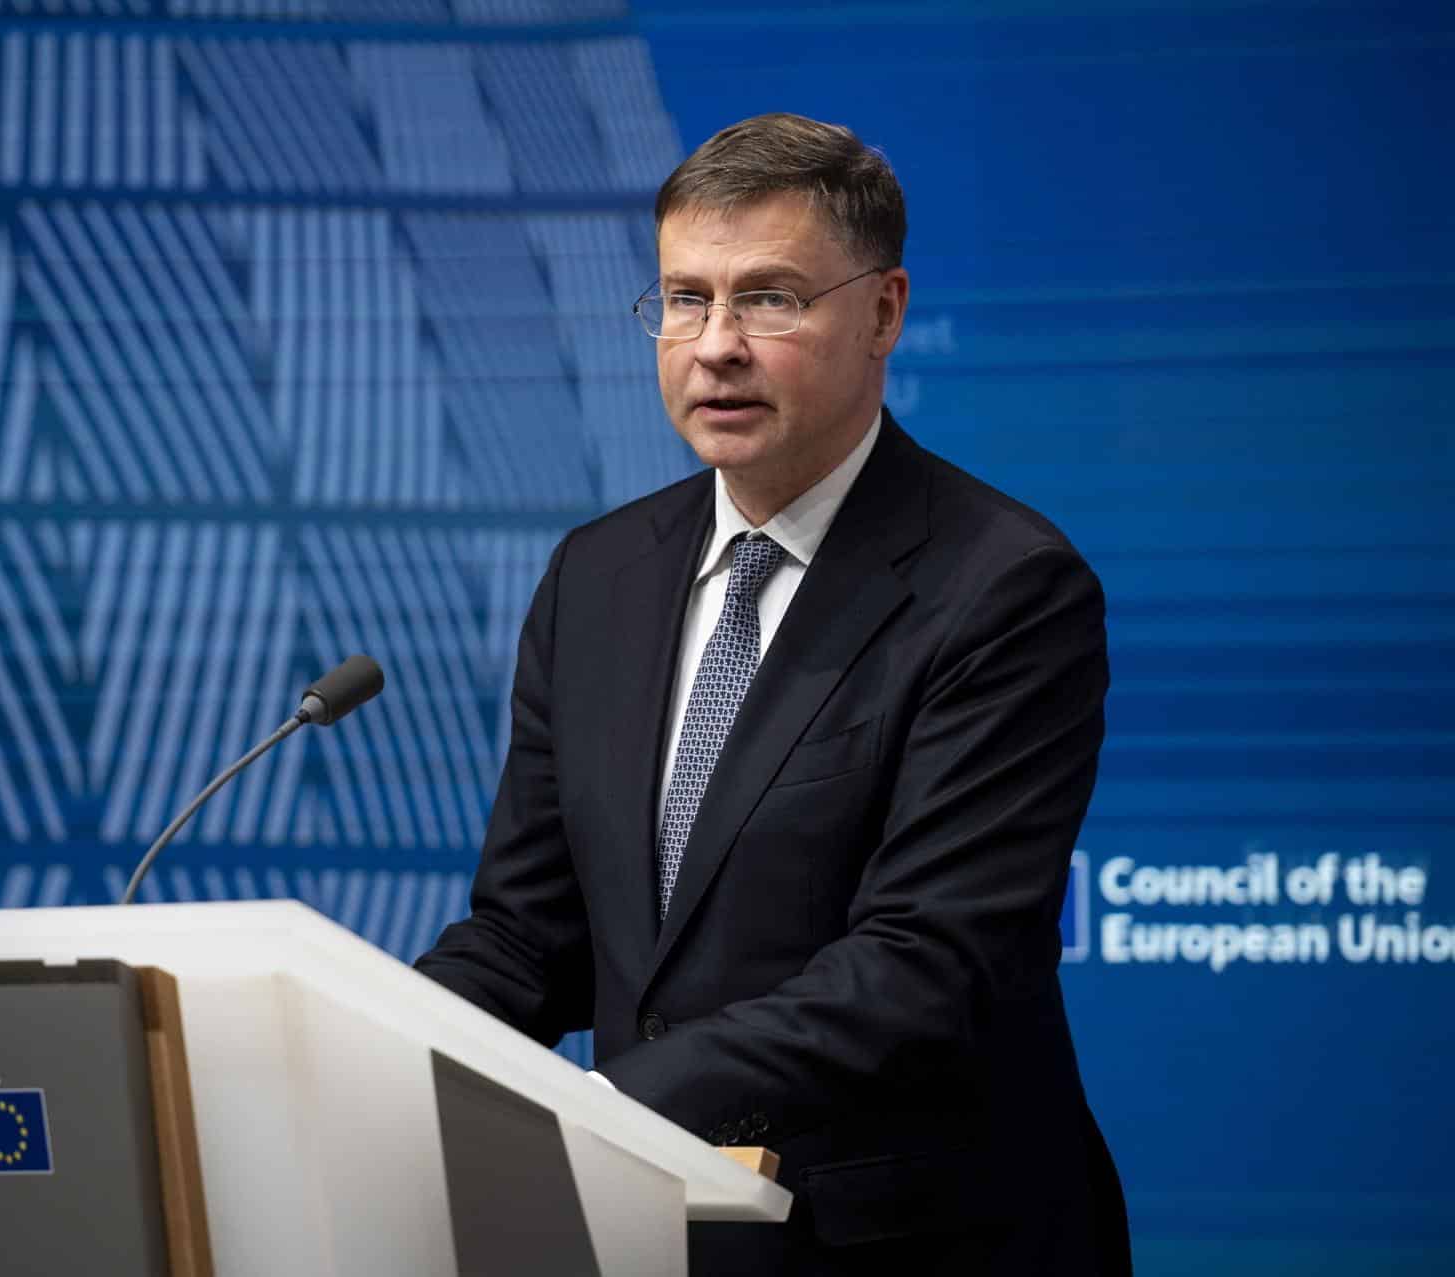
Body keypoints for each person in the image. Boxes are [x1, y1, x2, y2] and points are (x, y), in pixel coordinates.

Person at [413, 113, 1131, 1275]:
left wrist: (600, 1103)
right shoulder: (597, 574)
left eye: (771, 298)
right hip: (651, 1232)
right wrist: (382, 1061)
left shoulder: (1003, 585)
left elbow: (920, 961)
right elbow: (527, 930)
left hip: (911, 1238)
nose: (715, 346)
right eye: (684, 298)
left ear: (885, 313)